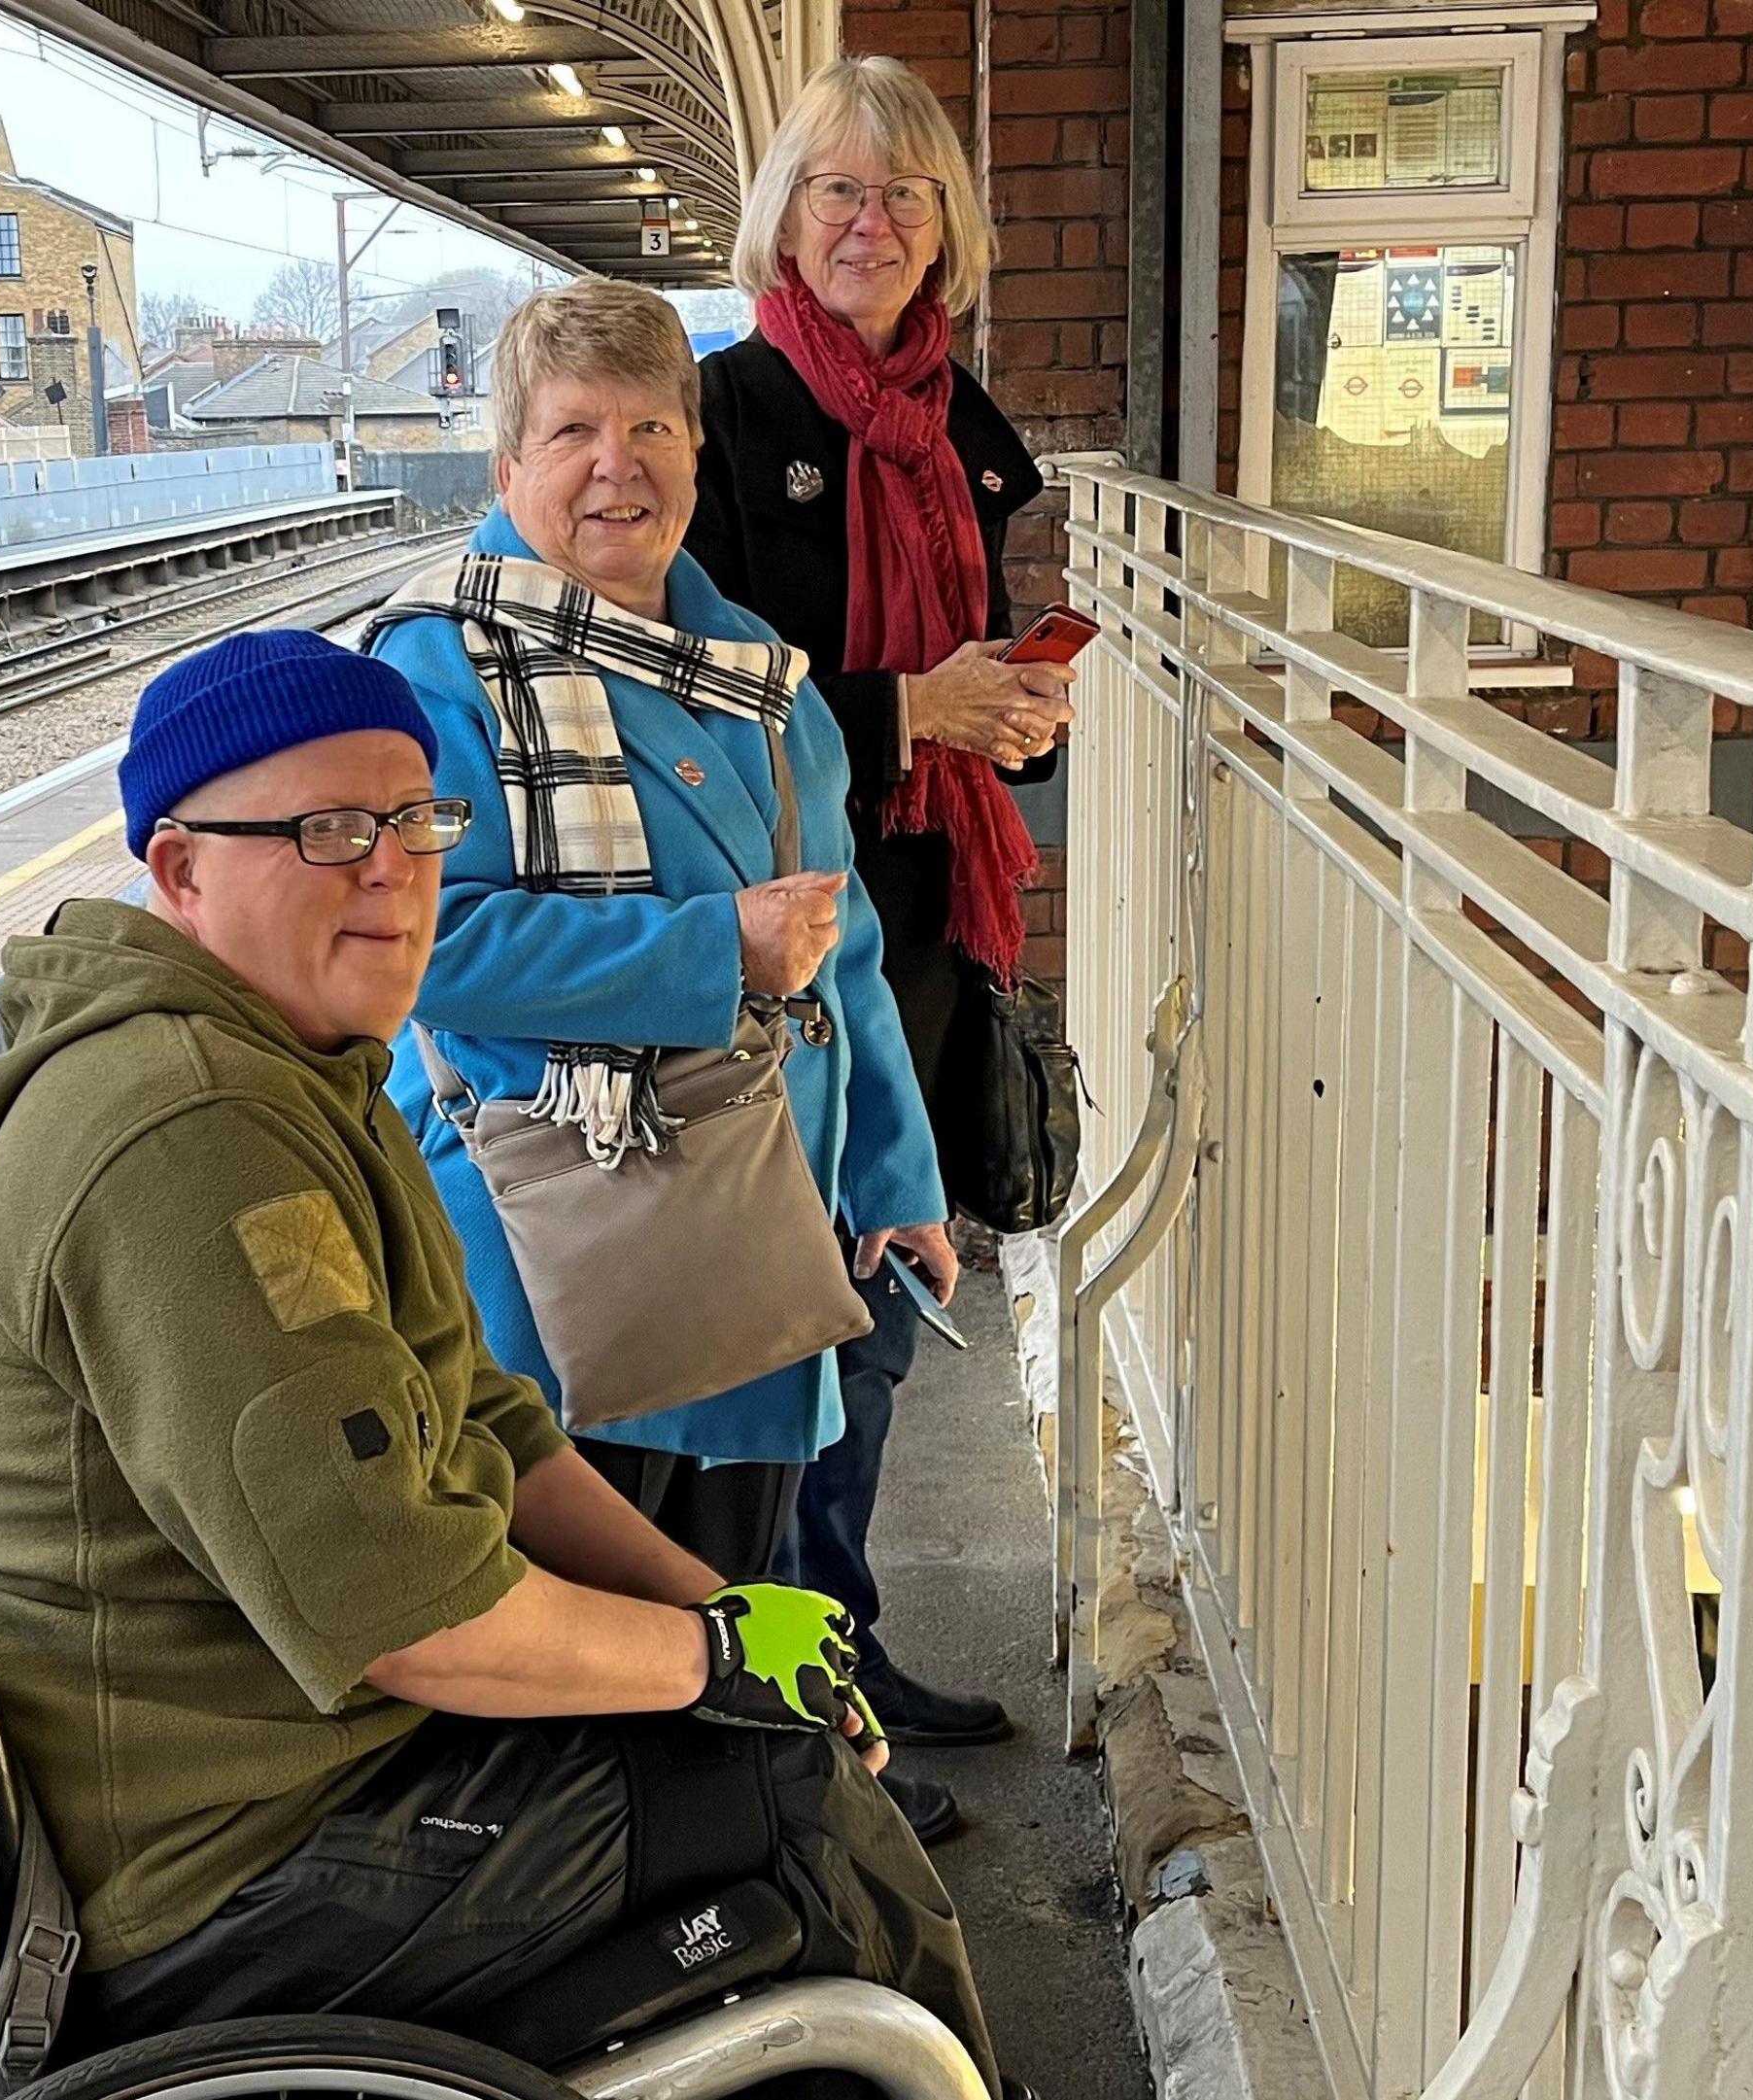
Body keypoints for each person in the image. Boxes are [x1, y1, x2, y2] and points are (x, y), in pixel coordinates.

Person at [0, 627, 996, 2084]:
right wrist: (714, 1663)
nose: (393, 869)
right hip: (203, 1856)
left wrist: (725, 1615)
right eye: (326, 830)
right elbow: (410, 1610)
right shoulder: (187, 1132)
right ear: (179, 869)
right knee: (792, 1811)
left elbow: (485, 1417)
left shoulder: (302, 1067)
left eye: (417, 819)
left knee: (750, 1744)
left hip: (274, 1749)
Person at [364, 279, 949, 1624]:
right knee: (579, 1631)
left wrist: (892, 1174)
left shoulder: (751, 664)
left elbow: (841, 940)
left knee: (739, 1599)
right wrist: (709, 948)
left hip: (746, 1227)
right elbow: (426, 941)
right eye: (572, 432)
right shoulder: (437, 667)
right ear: (508, 463)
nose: (615, 466)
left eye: (651, 429)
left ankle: (757, 1820)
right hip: (548, 1239)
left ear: (696, 453)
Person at [684, 54, 1074, 1775]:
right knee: (774, 1326)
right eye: (838, 188)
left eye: (906, 193)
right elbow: (696, 705)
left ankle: (833, 1646)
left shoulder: (959, 444)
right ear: (784, 214)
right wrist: (913, 708)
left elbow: (967, 698)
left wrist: (1013, 723)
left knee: (886, 1298)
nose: (871, 219)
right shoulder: (715, 419)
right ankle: (769, 1697)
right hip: (767, 932)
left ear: (948, 234)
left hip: (917, 919)